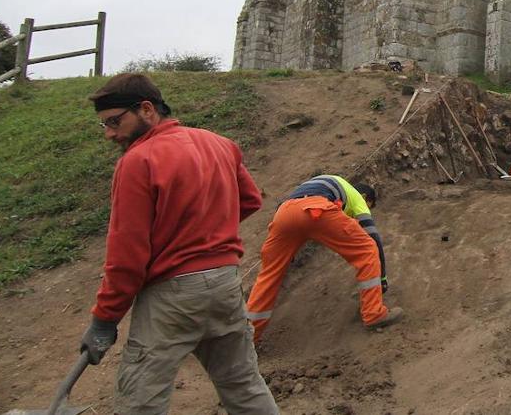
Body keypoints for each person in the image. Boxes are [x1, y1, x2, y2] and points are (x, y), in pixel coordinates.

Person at [81, 73, 277, 414]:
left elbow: (127, 257)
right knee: (243, 384)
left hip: (171, 298)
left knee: (140, 398)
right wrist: (206, 234)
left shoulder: (137, 162)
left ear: (146, 109)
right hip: (225, 284)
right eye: (104, 126)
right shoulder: (219, 143)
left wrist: (104, 320)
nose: (110, 134)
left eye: (114, 122)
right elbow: (250, 201)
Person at [245, 174, 402, 343]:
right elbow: (374, 238)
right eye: (369, 207)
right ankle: (374, 313)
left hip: (283, 213)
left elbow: (295, 212)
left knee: (269, 275)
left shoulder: (325, 185)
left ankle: (247, 340)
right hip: (317, 209)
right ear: (365, 198)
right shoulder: (358, 198)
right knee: (367, 249)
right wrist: (382, 279)